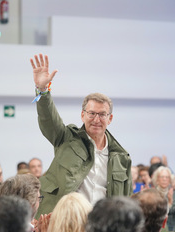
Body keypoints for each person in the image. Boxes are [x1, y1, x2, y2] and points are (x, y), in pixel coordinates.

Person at [30, 54, 132, 218]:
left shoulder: (121, 157)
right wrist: (43, 91)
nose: (96, 119)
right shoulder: (66, 138)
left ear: (110, 118)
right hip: (65, 219)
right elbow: (48, 119)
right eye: (91, 113)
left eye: (102, 114)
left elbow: (126, 202)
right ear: (82, 115)